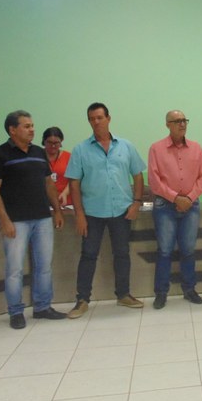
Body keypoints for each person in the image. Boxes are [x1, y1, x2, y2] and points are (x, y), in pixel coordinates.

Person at [0, 110, 66, 329]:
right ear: (12, 130)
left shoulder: (39, 152)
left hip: (42, 218)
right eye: (27, 126)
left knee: (44, 266)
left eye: (32, 125)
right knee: (15, 269)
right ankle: (16, 311)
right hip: (16, 221)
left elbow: (48, 184)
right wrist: (4, 219)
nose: (32, 129)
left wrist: (57, 211)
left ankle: (42, 307)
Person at [65, 102, 147, 318]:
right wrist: (79, 214)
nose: (96, 122)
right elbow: (74, 183)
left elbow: (138, 175)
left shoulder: (126, 146)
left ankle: (123, 295)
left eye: (100, 117)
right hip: (92, 213)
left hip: (122, 210)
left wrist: (137, 202)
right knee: (88, 255)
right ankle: (82, 300)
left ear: (108, 119)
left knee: (122, 254)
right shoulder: (80, 150)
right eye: (92, 119)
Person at [148, 110, 202, 308]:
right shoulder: (156, 149)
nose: (182, 124)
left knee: (188, 250)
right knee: (165, 250)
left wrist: (189, 198)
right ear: (167, 124)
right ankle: (161, 292)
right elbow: (154, 182)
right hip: (165, 206)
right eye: (177, 121)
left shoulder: (197, 148)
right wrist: (175, 198)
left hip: (191, 205)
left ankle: (189, 289)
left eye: (184, 120)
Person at [42, 126, 71, 207]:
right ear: (44, 141)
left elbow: (73, 180)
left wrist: (65, 193)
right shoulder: (37, 156)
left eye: (56, 143)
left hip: (65, 203)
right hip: (43, 203)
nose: (53, 146)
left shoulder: (69, 157)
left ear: (61, 141)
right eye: (49, 142)